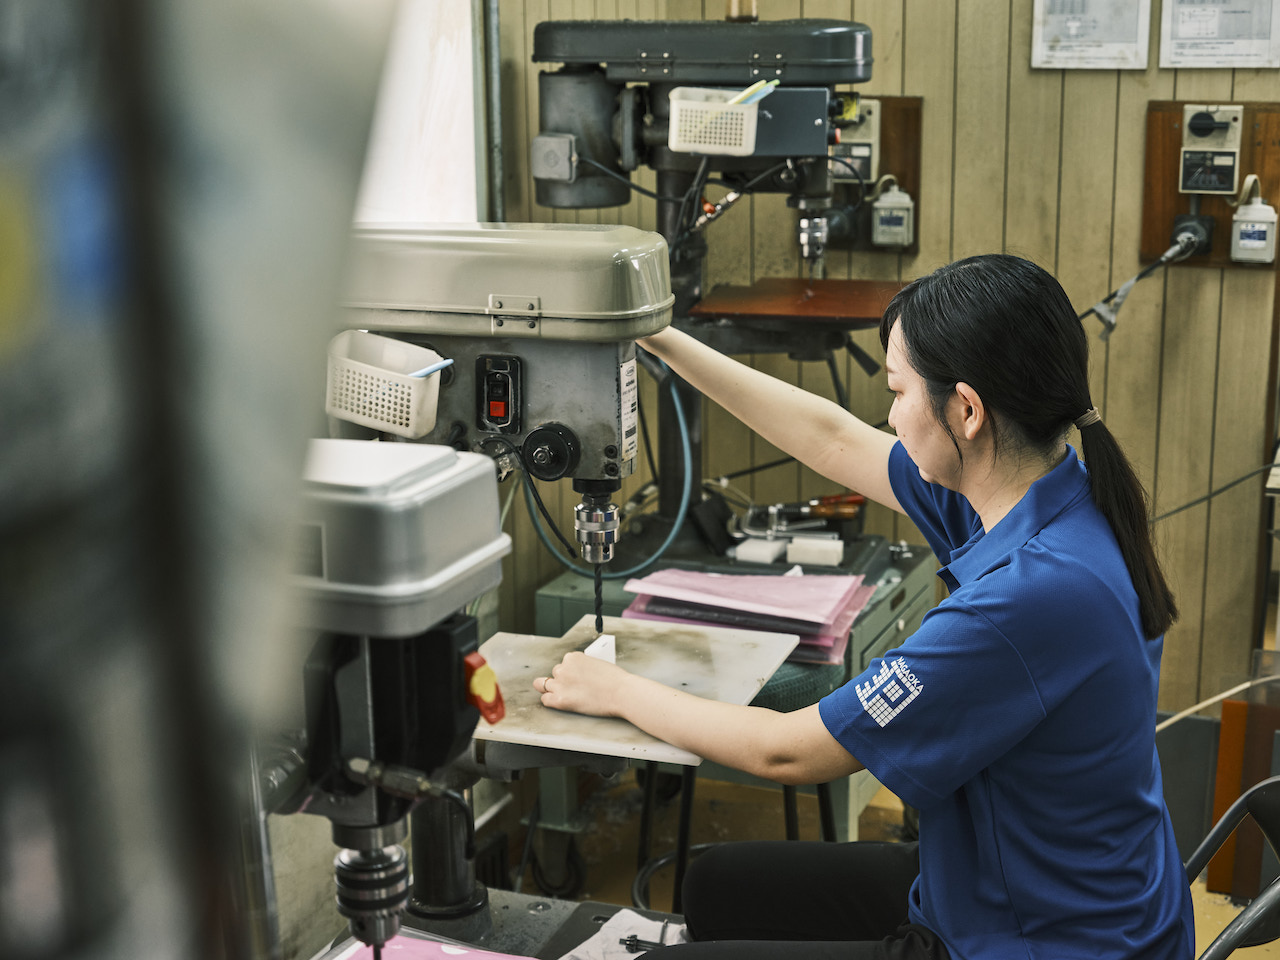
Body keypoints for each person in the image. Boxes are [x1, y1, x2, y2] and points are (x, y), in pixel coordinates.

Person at [532, 254, 1195, 960]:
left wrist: (615, 689)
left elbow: (786, 750)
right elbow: (832, 437)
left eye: (899, 389)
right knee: (716, 885)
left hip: (1039, 941)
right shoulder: (1038, 489)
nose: (889, 411)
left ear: (966, 410)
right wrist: (657, 336)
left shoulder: (1028, 597)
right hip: (1021, 882)